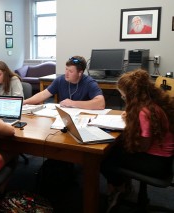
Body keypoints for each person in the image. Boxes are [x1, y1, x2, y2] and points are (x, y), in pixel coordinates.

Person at [101, 69, 174, 212]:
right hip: (166, 158)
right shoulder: (155, 102)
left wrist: (130, 131)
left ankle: (119, 189)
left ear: (131, 96)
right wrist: (130, 117)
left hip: (157, 164)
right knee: (116, 149)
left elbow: (142, 147)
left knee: (104, 158)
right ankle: (123, 186)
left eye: (123, 96)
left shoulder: (144, 112)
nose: (123, 99)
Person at [23, 56, 105, 110]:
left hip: (83, 118)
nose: (66, 73)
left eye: (70, 71)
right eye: (66, 69)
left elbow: (100, 104)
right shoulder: (60, 80)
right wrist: (25, 102)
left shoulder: (89, 82)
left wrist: (72, 103)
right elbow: (43, 94)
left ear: (80, 73)